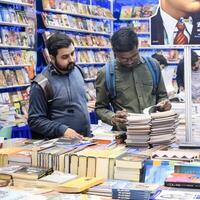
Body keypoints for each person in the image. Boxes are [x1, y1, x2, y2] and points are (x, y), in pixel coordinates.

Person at [95, 27, 171, 130]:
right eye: (124, 59)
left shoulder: (153, 65)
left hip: (154, 132)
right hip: (126, 134)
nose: (130, 61)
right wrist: (113, 118)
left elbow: (162, 96)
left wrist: (164, 104)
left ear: (137, 47)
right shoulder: (106, 73)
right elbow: (100, 108)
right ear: (115, 53)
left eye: (134, 56)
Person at [28, 32, 91, 139]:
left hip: (86, 141)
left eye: (72, 53)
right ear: (52, 58)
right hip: (60, 146)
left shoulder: (78, 71)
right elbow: (35, 121)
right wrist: (62, 130)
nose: (71, 59)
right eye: (65, 57)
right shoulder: (41, 83)